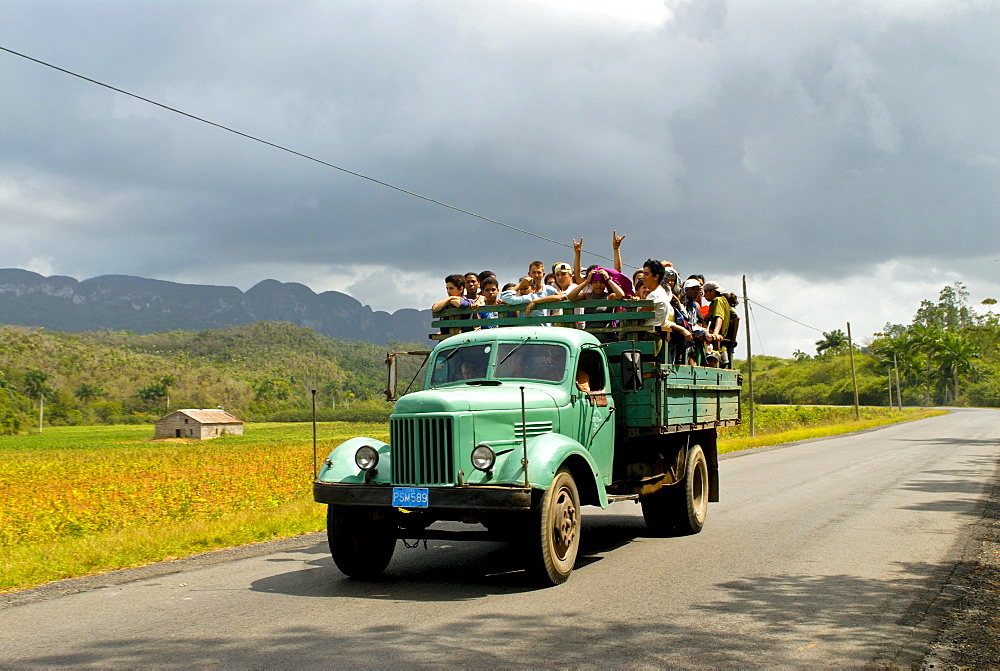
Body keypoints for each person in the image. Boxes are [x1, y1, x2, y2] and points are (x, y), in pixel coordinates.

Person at [567, 266, 625, 341]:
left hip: (608, 337)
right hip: (590, 337)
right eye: (595, 282)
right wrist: (586, 281)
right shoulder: (587, 296)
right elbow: (571, 296)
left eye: (602, 282)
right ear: (591, 284)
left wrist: (608, 279)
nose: (598, 285)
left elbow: (621, 295)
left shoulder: (610, 296)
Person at [703, 281, 733, 367]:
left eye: (706, 293)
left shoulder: (717, 300)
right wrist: (732, 337)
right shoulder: (724, 301)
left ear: (712, 292)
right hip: (722, 340)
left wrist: (715, 333)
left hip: (716, 341)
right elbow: (736, 317)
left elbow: (719, 317)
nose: (704, 295)